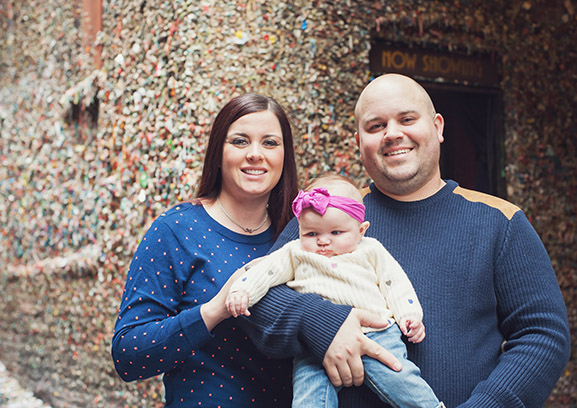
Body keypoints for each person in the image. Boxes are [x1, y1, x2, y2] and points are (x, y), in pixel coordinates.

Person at [239, 74, 571, 407]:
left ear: (438, 127)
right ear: (359, 142)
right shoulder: (325, 217)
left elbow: (542, 336)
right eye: (376, 126)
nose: (393, 133)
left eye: (407, 119)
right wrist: (323, 323)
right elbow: (259, 299)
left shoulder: (500, 221)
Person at [111, 93, 301, 407]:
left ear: (285, 155)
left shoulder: (300, 233)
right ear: (217, 151)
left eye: (270, 143)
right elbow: (128, 356)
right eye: (240, 141)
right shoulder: (176, 230)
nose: (255, 154)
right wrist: (212, 312)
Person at [226, 174, 444, 408]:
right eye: (311, 234)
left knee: (400, 379)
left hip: (376, 331)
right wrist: (243, 291)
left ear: (361, 230)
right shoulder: (296, 252)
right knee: (308, 395)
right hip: (314, 342)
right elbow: (266, 271)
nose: (322, 242)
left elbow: (394, 283)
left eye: (336, 233)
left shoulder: (371, 250)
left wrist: (409, 315)